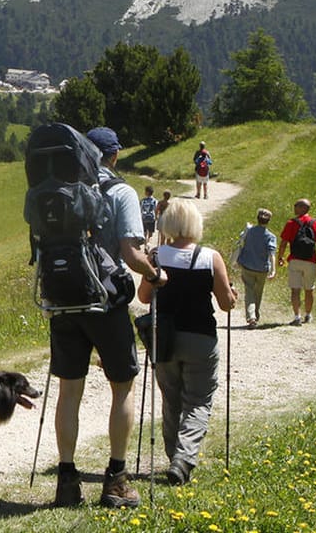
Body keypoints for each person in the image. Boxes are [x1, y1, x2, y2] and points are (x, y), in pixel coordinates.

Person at [37, 126, 163, 509]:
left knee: (69, 391)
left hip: (62, 302)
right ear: (113, 155)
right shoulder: (121, 191)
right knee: (122, 385)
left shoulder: (54, 190)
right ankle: (116, 479)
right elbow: (130, 253)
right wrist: (155, 274)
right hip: (106, 304)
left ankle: (66, 479)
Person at [137, 199, 238, 484]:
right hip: (201, 337)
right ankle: (183, 459)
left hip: (165, 338)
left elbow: (143, 297)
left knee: (171, 399)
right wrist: (232, 293)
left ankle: (174, 457)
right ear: (195, 224)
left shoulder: (156, 256)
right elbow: (225, 303)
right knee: (198, 401)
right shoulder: (210, 257)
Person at [276, 197, 316, 325]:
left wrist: (280, 257)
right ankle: (308, 315)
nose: (294, 208)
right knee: (309, 289)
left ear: (303, 208)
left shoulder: (291, 223)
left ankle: (296, 317)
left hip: (295, 260)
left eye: (296, 206)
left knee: (295, 289)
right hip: (310, 261)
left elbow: (283, 243)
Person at [233, 207, 276, 327]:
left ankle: (252, 317)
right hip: (262, 268)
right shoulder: (270, 236)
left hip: (247, 266)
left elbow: (240, 242)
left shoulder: (249, 231)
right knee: (258, 293)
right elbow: (272, 254)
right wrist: (273, 269)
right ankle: (254, 315)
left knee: (249, 291)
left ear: (257, 219)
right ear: (268, 221)